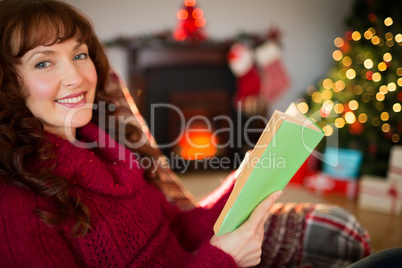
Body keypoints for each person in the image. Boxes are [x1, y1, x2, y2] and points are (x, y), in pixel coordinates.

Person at [0, 0, 372, 267]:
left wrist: (249, 175)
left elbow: (177, 225)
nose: (76, 77)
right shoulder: (18, 205)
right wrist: (222, 259)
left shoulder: (111, 147)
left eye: (79, 55)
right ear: (7, 83)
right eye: (44, 62)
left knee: (349, 233)